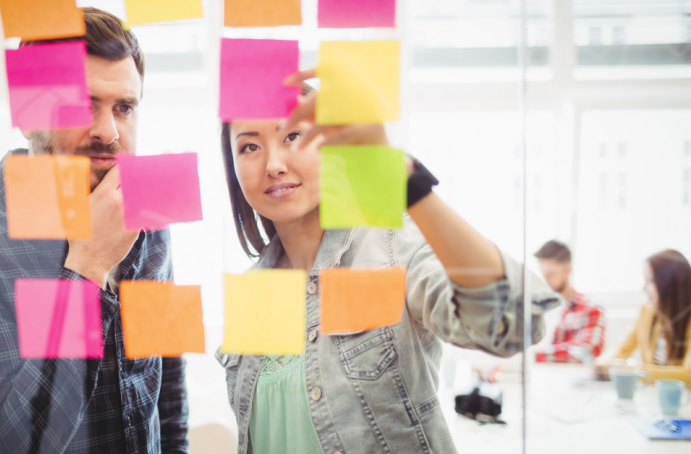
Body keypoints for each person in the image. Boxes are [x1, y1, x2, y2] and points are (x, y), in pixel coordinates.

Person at [214, 71, 560, 454]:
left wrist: (405, 180)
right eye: (249, 147)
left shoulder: (392, 249)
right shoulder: (253, 291)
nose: (273, 164)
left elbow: (512, 323)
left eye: (292, 135)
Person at [0, 9, 187, 453]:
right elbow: (13, 444)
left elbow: (166, 385)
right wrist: (87, 268)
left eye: (124, 108)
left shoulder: (147, 217)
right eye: (84, 104)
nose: (108, 131)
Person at [596, 249, 691, 386]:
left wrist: (634, 371)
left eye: (650, 280)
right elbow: (622, 350)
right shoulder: (646, 311)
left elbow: (688, 375)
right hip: (652, 394)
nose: (644, 288)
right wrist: (604, 363)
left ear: (671, 284)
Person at [533, 240, 605, 363]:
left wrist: (532, 357)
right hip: (535, 372)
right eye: (543, 274)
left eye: (550, 274)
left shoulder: (590, 308)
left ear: (568, 270)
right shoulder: (535, 307)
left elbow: (586, 351)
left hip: (563, 373)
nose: (545, 280)